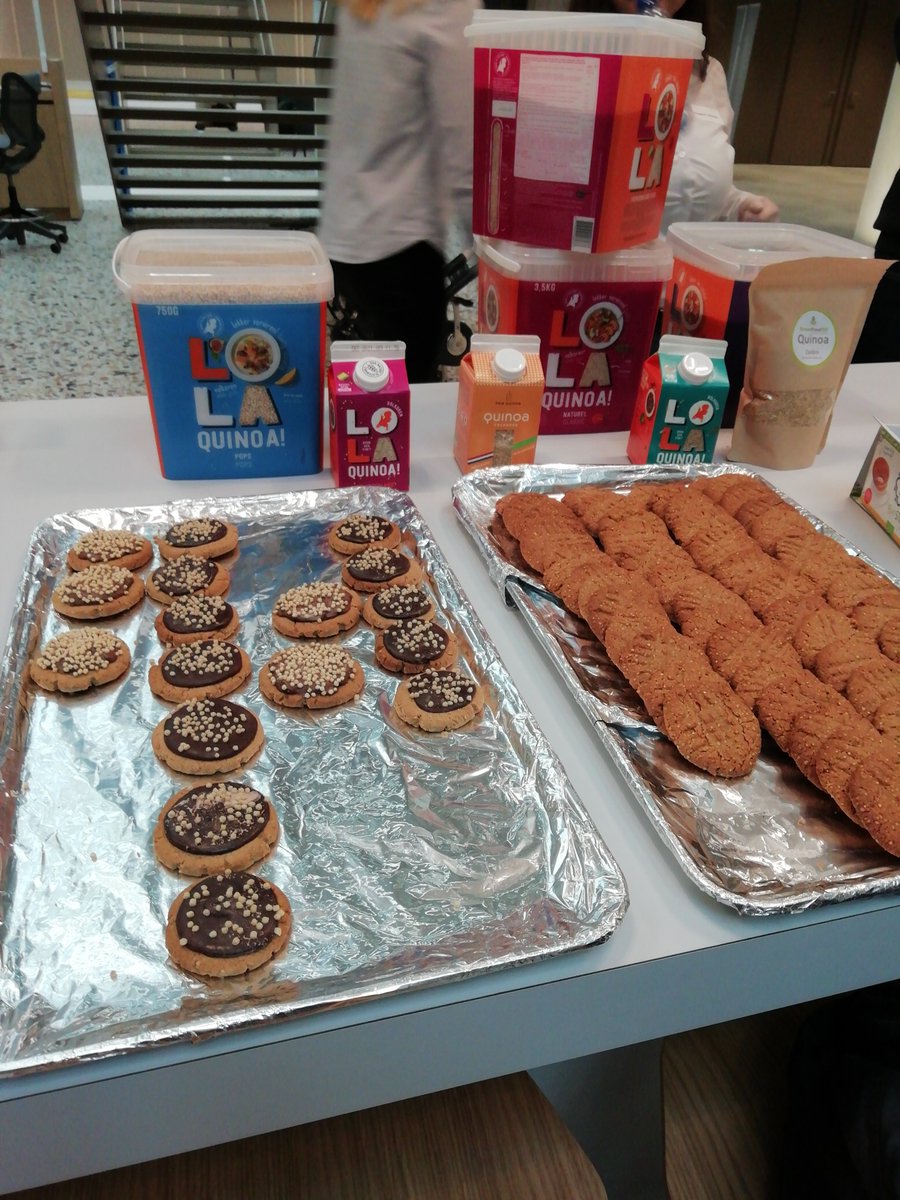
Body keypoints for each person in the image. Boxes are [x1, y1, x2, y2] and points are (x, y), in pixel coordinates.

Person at [318, 0, 479, 383]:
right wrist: (489, 243)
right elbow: (462, 137)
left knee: (368, 385)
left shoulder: (364, 5)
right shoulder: (446, 6)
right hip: (400, 240)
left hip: (346, 229)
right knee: (408, 393)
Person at [569, 0, 779, 233]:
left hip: (692, 253)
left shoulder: (709, 72)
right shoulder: (572, 67)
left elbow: (696, 179)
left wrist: (739, 204)